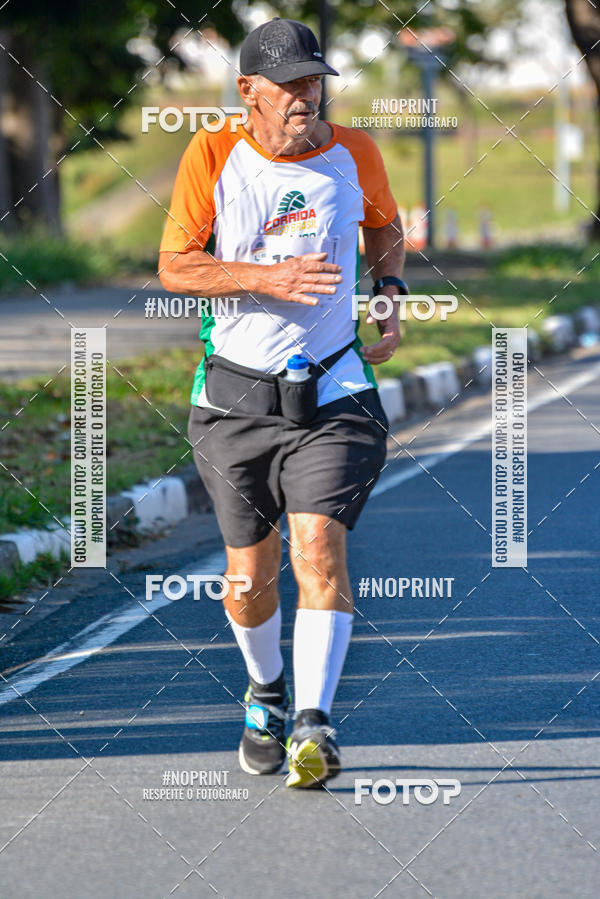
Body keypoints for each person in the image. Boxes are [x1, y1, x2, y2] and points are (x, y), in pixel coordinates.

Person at [158, 17, 406, 788]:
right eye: (290, 84)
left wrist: (389, 291)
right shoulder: (210, 155)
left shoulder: (355, 151)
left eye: (314, 81)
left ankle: (313, 722)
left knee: (317, 547)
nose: (306, 96)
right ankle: (266, 692)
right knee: (248, 577)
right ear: (248, 93)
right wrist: (266, 278)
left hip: (333, 387)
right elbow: (175, 266)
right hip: (235, 396)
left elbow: (385, 225)